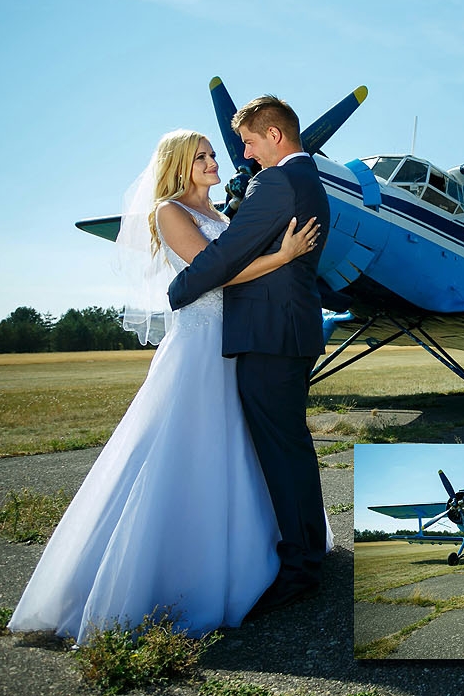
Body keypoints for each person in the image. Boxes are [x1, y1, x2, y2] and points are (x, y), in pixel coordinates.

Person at [8, 130, 321, 643]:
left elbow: (236, 259)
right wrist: (283, 257)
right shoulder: (169, 212)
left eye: (213, 154)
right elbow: (213, 273)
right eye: (201, 157)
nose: (215, 161)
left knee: (240, 449)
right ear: (178, 165)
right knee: (184, 447)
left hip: (235, 342)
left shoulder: (225, 214)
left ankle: (255, 555)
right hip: (199, 344)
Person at [169, 96, 332, 612]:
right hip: (289, 331)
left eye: (250, 141)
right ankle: (309, 551)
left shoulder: (277, 182)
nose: (244, 153)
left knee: (280, 453)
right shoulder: (308, 181)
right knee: (292, 447)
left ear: (276, 136)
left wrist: (179, 291)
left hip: (268, 335)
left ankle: (300, 565)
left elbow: (226, 252)